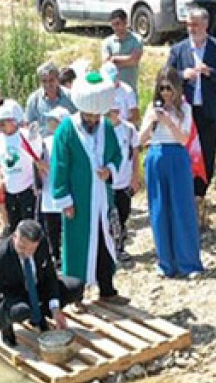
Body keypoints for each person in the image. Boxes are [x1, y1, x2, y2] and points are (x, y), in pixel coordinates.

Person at [50, 71, 124, 300]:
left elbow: (117, 155)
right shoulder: (67, 129)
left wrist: (109, 169)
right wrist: (64, 199)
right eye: (89, 116)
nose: (92, 121)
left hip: (102, 197)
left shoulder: (107, 128)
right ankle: (76, 295)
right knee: (78, 245)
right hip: (79, 200)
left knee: (105, 241)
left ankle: (107, 290)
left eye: (96, 117)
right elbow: (59, 165)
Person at [166, 7, 216, 226]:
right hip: (185, 112)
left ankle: (200, 195)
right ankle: (187, 195)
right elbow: (165, 75)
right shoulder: (179, 49)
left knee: (207, 153)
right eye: (188, 24)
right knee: (185, 153)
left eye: (195, 24)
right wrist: (181, 75)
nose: (191, 28)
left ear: (206, 25)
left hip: (209, 111)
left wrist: (211, 72)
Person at [0, 220, 83, 353]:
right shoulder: (0, 255)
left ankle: (40, 316)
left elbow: (50, 277)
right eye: (22, 246)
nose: (26, 252)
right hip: (14, 296)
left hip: (37, 288)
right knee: (21, 311)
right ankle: (6, 327)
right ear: (15, 237)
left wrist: (55, 308)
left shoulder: (42, 244)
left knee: (76, 287)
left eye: (31, 249)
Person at [140, 68, 204, 279]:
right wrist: (151, 122)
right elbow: (139, 140)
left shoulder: (185, 108)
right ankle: (165, 262)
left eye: (169, 88)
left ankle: (189, 262)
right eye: (162, 88)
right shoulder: (152, 108)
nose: (166, 93)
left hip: (177, 155)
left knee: (181, 207)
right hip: (156, 155)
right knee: (159, 209)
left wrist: (169, 121)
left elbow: (184, 139)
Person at [0, 99, 40, 235]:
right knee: (14, 225)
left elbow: (37, 159)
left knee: (30, 226)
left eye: (2, 124)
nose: (1, 128)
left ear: (11, 121)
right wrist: (0, 180)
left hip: (27, 188)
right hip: (10, 190)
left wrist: (36, 182)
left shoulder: (26, 135)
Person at [106, 104, 142, 260]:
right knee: (107, 216)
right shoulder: (101, 129)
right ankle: (109, 247)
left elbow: (135, 154)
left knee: (123, 213)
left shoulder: (128, 129)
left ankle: (120, 246)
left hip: (124, 180)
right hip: (106, 183)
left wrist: (136, 176)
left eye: (113, 111)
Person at [38, 108, 70, 262]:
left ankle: (67, 256)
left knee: (66, 225)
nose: (50, 123)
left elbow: (67, 166)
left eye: (53, 120)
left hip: (64, 190)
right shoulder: (45, 141)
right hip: (47, 189)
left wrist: (48, 167)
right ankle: (55, 255)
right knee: (51, 226)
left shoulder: (69, 141)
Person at [26, 62, 77, 134]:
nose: (48, 84)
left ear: (57, 79)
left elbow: (79, 120)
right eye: (44, 81)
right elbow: (29, 124)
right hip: (44, 142)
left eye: (51, 80)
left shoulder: (70, 96)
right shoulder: (34, 100)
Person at [102, 9, 144, 96]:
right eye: (113, 25)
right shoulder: (107, 42)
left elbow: (134, 60)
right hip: (112, 91)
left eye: (117, 24)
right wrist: (127, 60)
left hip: (130, 89)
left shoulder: (136, 40)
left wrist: (114, 59)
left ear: (125, 22)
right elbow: (106, 63)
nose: (115, 28)